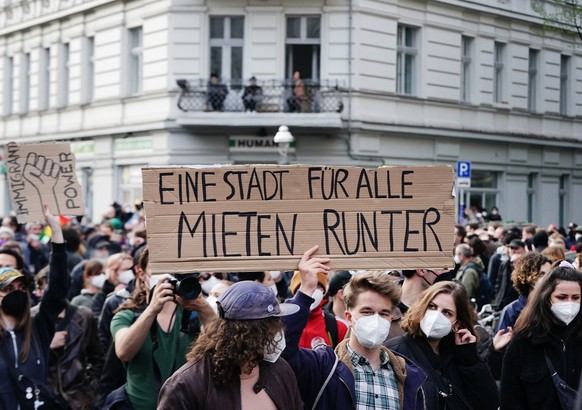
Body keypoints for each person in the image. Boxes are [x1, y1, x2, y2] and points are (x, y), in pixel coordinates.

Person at [281, 246, 428, 410]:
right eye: (367, 311)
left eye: (383, 313)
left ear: (391, 317)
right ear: (349, 317)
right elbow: (282, 350)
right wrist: (306, 289)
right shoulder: (323, 367)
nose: (376, 319)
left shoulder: (408, 375)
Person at [157, 280, 303, 410]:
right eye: (274, 324)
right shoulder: (186, 384)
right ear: (252, 333)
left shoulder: (281, 371)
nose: (278, 331)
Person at [109, 265, 216, 410]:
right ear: (141, 274)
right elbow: (123, 352)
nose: (168, 275)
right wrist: (152, 309)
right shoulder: (127, 316)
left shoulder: (193, 316)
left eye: (174, 271)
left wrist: (203, 307)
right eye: (158, 268)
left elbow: (221, 349)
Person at [386, 281, 499, 409]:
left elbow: (489, 402)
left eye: (447, 313)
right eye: (432, 306)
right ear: (422, 306)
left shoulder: (459, 356)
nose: (436, 315)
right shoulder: (395, 351)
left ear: (457, 323)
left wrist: (469, 358)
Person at [0, 206, 68, 410]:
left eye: (21, 287)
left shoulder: (38, 326)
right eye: (8, 288)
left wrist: (56, 231)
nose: (16, 292)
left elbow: (57, 289)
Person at [500, 262, 582, 409]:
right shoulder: (524, 340)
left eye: (575, 297)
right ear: (547, 298)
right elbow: (511, 397)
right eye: (562, 297)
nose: (570, 304)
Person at [289, 269, 348, 348]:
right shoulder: (281, 324)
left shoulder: (338, 327)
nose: (311, 290)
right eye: (304, 285)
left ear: (323, 292)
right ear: (295, 290)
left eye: (317, 285)